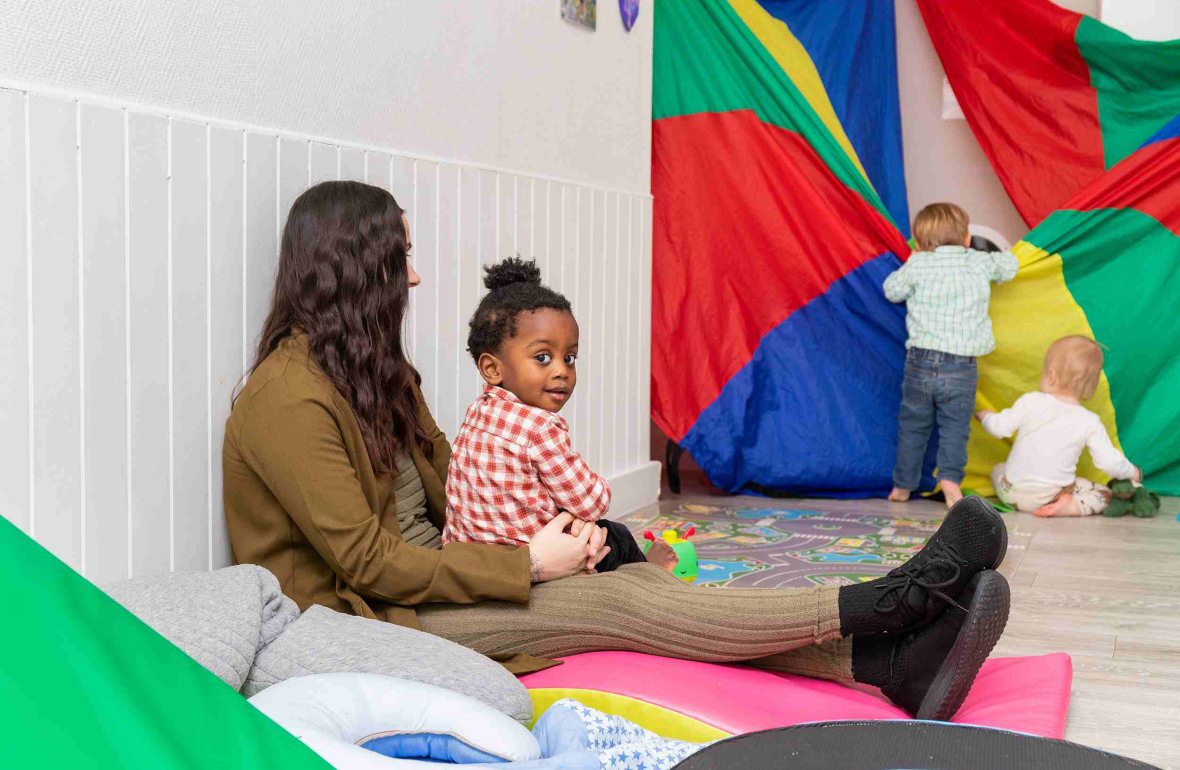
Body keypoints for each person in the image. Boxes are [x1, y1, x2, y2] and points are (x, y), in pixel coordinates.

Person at [223, 181, 1012, 721]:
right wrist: (525, 565)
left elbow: (451, 478)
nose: (417, 275)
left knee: (632, 568)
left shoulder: (378, 372)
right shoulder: (287, 399)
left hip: (445, 576)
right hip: (374, 619)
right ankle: (890, 603)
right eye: (400, 258)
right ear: (355, 272)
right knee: (625, 602)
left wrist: (550, 536)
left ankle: (883, 665)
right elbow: (366, 564)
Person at [442, 256, 677, 573]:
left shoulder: (479, 411)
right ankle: (648, 581)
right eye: (542, 357)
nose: (562, 371)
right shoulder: (539, 427)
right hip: (534, 559)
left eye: (569, 358)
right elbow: (589, 500)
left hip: (474, 558)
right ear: (492, 368)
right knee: (615, 535)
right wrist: (593, 499)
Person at [883, 203, 1018, 508]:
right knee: (955, 428)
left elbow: (891, 291)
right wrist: (987, 254)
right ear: (967, 239)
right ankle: (951, 483)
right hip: (961, 366)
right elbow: (1011, 265)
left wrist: (912, 260)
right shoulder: (979, 262)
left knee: (913, 426)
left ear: (919, 243)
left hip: (920, 362)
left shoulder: (918, 264)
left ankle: (902, 485)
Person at [978, 335, 1141, 517]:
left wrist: (985, 416)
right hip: (1052, 495)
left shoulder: (1030, 401)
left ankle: (1022, 495)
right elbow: (1109, 461)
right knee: (1104, 493)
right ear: (1092, 385)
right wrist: (1131, 471)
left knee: (997, 469)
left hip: (1011, 493)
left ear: (1051, 375)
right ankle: (1072, 507)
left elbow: (999, 427)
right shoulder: (1090, 421)